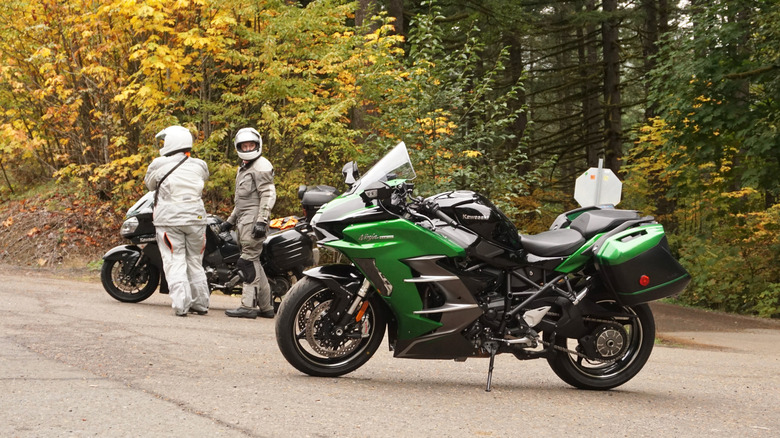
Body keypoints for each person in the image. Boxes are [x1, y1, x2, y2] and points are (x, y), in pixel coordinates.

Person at [144, 125, 210, 317]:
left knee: (175, 260)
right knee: (195, 261)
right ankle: (201, 303)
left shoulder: (158, 164)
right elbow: (203, 179)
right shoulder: (200, 165)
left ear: (171, 142)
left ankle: (181, 305)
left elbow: (150, 185)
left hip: (169, 221)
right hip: (196, 220)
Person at [220, 127, 277, 319]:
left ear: (258, 144)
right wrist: (229, 222)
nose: (247, 148)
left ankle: (247, 306)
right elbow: (243, 202)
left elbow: (268, 194)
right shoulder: (244, 168)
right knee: (254, 262)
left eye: (250, 145)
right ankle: (266, 306)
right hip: (244, 221)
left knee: (246, 262)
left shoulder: (261, 166)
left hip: (254, 222)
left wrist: (261, 221)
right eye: (244, 145)